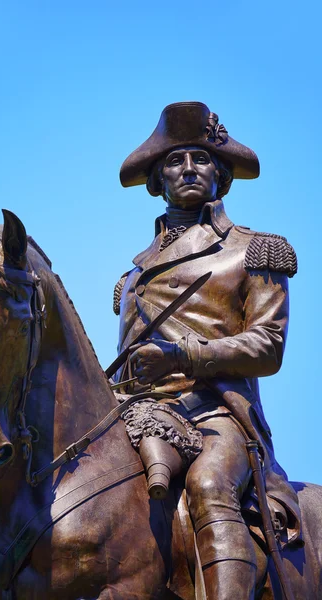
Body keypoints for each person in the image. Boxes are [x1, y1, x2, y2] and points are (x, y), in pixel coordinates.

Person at [113, 102, 301, 599]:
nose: (189, 169)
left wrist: (181, 356)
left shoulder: (256, 249)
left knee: (210, 486)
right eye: (176, 161)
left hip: (216, 414)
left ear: (220, 173)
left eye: (201, 158)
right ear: (157, 179)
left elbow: (268, 345)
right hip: (138, 414)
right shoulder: (131, 277)